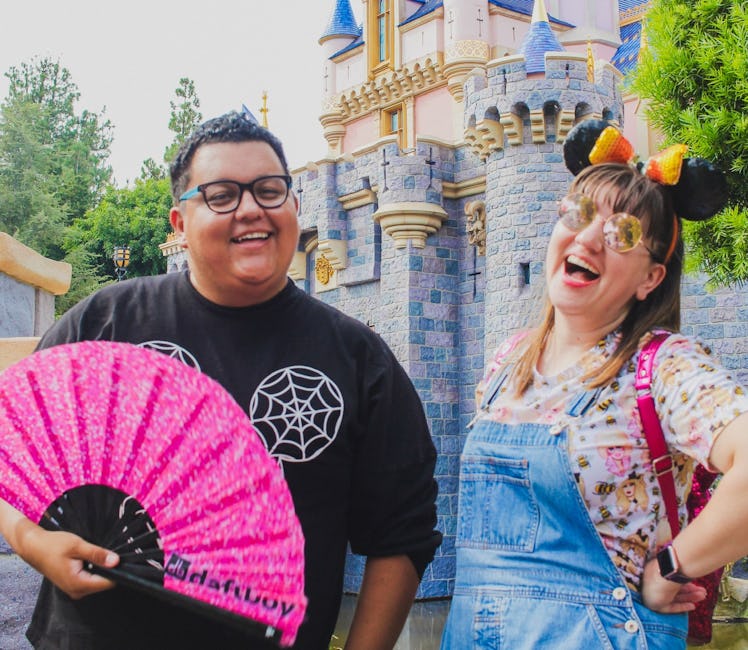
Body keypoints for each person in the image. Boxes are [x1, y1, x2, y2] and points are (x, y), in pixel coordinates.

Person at [0, 110, 442, 650]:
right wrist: (30, 541)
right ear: (178, 223)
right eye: (221, 195)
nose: (251, 208)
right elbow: (10, 444)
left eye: (269, 190)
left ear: (295, 207)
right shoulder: (104, 326)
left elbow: (404, 533)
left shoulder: (357, 358)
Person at [440, 119, 748, 649]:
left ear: (651, 277)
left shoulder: (662, 367)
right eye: (580, 214)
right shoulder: (504, 365)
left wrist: (676, 565)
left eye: (622, 233)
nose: (588, 238)